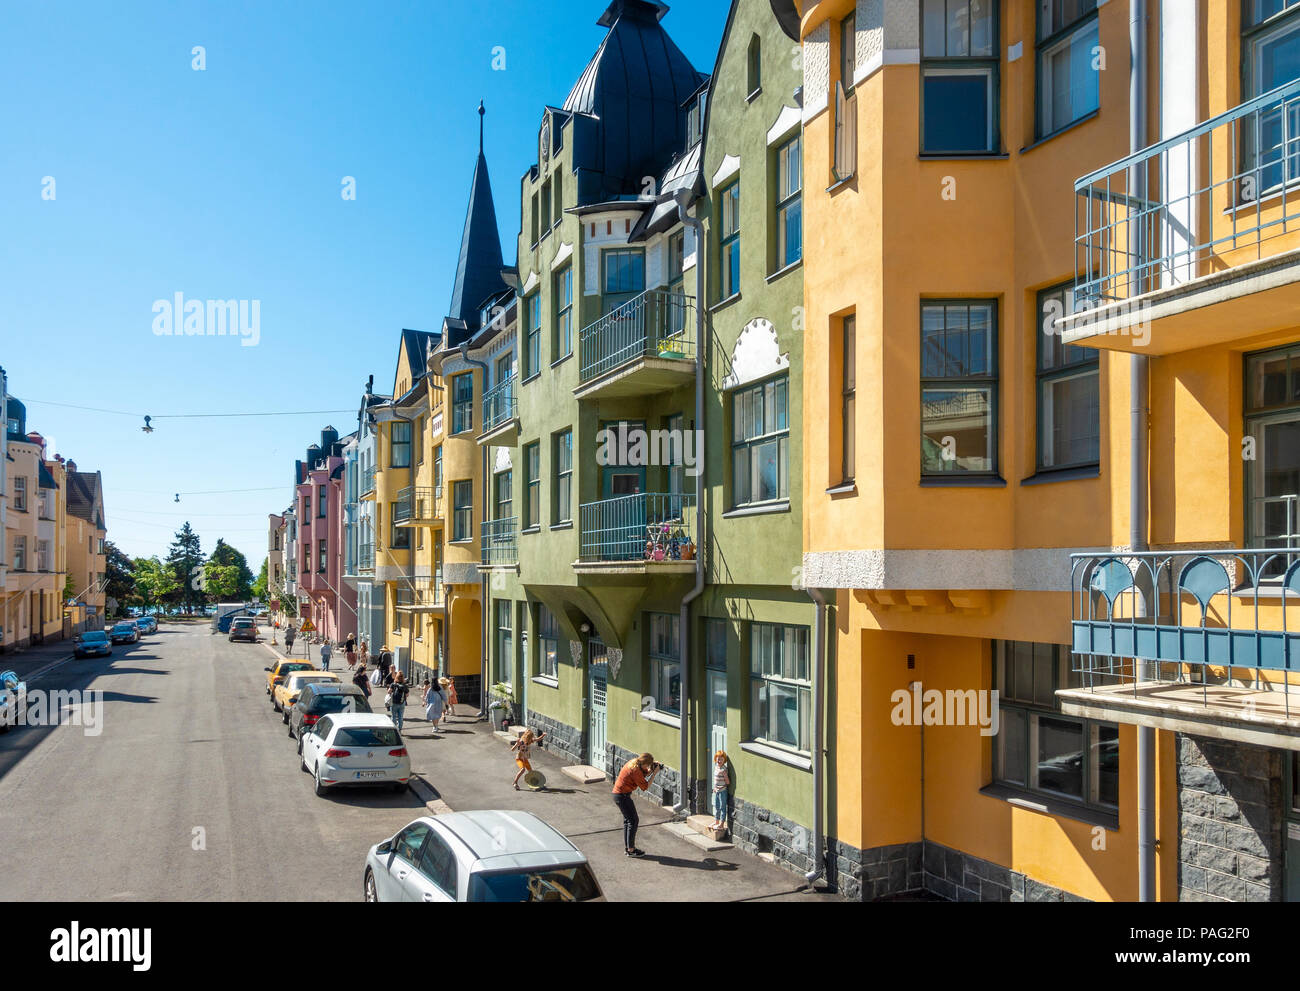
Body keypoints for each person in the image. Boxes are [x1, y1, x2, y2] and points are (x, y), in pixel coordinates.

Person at [612, 753, 661, 857]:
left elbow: (642, 775)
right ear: (644, 763)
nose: (647, 768)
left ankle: (628, 848)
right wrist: (654, 773)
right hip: (622, 796)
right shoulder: (635, 770)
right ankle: (631, 849)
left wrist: (651, 769)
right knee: (633, 821)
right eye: (647, 765)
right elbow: (645, 786)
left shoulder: (634, 762)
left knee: (628, 821)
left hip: (619, 795)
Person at [709, 751, 731, 831]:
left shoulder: (723, 769)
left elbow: (728, 782)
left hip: (722, 791)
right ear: (715, 759)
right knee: (717, 806)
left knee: (722, 807)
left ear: (724, 760)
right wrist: (715, 787)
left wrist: (725, 775)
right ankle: (716, 821)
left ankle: (721, 824)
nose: (719, 761)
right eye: (718, 759)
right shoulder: (716, 767)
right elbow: (715, 779)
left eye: (721, 759)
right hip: (717, 791)